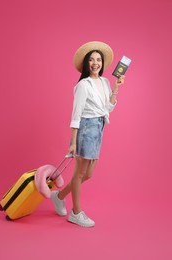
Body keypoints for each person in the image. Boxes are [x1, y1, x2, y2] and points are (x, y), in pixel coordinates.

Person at [51, 41, 125, 227]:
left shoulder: (105, 81)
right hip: (85, 128)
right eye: (91, 60)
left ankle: (59, 196)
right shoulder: (83, 85)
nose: (95, 63)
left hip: (98, 127)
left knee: (88, 174)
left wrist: (116, 88)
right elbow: (76, 114)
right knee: (79, 173)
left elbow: (108, 107)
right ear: (86, 63)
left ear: (102, 63)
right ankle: (76, 212)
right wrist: (73, 142)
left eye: (98, 59)